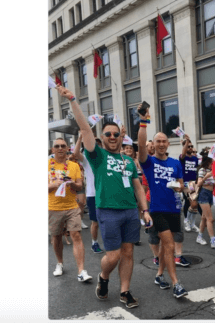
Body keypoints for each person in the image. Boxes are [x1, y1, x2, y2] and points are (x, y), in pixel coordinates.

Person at [57, 85, 151, 309]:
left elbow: (138, 187)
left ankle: (125, 291)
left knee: (128, 252)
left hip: (130, 211)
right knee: (114, 255)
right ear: (102, 137)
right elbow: (85, 129)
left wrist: (145, 210)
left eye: (115, 134)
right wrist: (72, 99)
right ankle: (104, 276)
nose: (112, 136)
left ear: (120, 137)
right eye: (107, 134)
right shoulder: (97, 155)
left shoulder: (129, 160)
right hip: (107, 211)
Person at [138, 106, 188, 299]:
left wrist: (178, 186)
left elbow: (182, 184)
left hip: (174, 209)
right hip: (157, 209)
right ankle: (176, 283)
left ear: (168, 144)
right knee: (169, 246)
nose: (160, 144)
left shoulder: (175, 163)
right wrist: (143, 122)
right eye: (157, 141)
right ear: (155, 144)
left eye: (163, 141)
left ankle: (159, 275)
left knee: (165, 246)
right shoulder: (149, 162)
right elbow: (141, 147)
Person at [48, 137, 92, 282]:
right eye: (57, 146)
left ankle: (81, 271)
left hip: (72, 206)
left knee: (76, 236)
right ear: (53, 149)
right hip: (53, 207)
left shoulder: (73, 166)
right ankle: (60, 263)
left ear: (68, 148)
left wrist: (72, 183)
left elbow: (80, 185)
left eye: (63, 146)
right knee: (56, 237)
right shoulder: (46, 165)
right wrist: (54, 185)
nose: (60, 148)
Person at [72, 132, 103, 254]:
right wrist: (80, 138)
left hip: (106, 193)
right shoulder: (86, 159)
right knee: (95, 222)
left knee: (109, 220)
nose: (96, 146)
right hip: (92, 194)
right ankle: (94, 243)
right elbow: (75, 154)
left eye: (98, 144)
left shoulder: (105, 158)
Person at [179, 135, 200, 232]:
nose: (191, 148)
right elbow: (183, 153)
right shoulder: (182, 157)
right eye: (188, 146)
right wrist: (187, 141)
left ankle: (191, 223)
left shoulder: (195, 159)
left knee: (191, 203)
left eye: (192, 146)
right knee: (193, 202)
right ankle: (187, 221)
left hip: (193, 183)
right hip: (186, 183)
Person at [196, 156, 215, 248]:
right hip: (204, 193)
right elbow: (199, 184)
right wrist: (205, 177)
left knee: (204, 217)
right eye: (212, 162)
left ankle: (199, 237)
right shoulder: (203, 170)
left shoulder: (214, 171)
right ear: (208, 163)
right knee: (210, 219)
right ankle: (213, 240)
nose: (213, 164)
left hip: (211, 194)